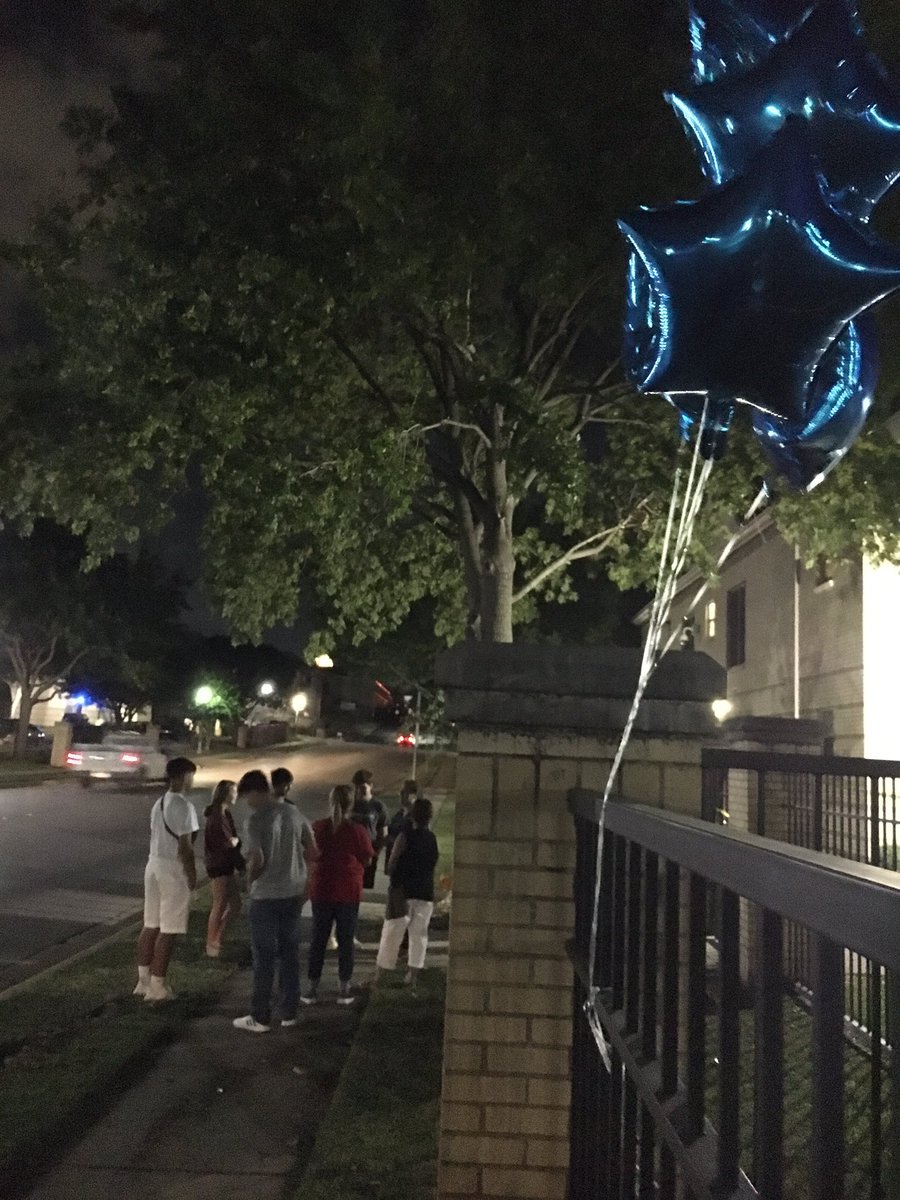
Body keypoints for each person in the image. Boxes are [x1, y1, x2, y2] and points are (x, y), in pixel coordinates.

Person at [233, 769, 317, 1033]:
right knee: (289, 953)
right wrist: (307, 881)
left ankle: (260, 1016)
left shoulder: (255, 820)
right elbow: (312, 850)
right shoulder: (294, 813)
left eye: (247, 797)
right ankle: (289, 1011)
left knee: (264, 956)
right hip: (293, 892)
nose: (248, 803)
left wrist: (249, 881)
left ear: (256, 791)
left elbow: (256, 859)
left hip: (266, 895)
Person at [134, 757, 199, 1002]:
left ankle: (143, 980)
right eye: (190, 776)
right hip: (172, 869)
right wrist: (192, 875)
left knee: (150, 924)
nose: (192, 781)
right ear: (181, 777)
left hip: (153, 865)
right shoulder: (184, 806)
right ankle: (158, 986)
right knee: (169, 929)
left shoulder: (159, 803)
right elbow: (186, 848)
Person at [301, 785, 372, 1006]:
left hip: (322, 888)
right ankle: (344, 988)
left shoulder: (319, 827)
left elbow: (309, 853)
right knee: (345, 939)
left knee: (319, 939)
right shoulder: (357, 831)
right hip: (348, 890)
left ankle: (312, 987)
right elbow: (367, 858)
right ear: (351, 803)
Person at [374, 797, 439, 991]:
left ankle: (380, 977)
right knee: (419, 936)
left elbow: (392, 863)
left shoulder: (405, 836)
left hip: (402, 892)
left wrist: (393, 869)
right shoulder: (432, 838)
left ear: (412, 815)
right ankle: (412, 976)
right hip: (425, 892)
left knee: (392, 933)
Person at [203, 779, 244, 957]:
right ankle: (211, 943)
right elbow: (226, 843)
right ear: (225, 794)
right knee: (219, 903)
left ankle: (217, 937)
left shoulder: (224, 814)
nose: (236, 795)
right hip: (219, 865)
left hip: (226, 863)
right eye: (233, 792)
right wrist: (234, 842)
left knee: (235, 904)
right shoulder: (217, 817)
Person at [350, 768, 387, 890]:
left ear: (370, 786)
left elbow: (383, 831)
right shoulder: (350, 806)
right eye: (357, 786)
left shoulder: (378, 807)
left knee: (365, 888)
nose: (359, 790)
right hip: (351, 854)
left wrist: (376, 852)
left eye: (362, 786)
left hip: (369, 853)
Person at [385, 779, 417, 871]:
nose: (400, 794)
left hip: (406, 867)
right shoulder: (399, 814)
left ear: (413, 795)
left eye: (404, 792)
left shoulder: (416, 818)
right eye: (401, 792)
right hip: (394, 866)